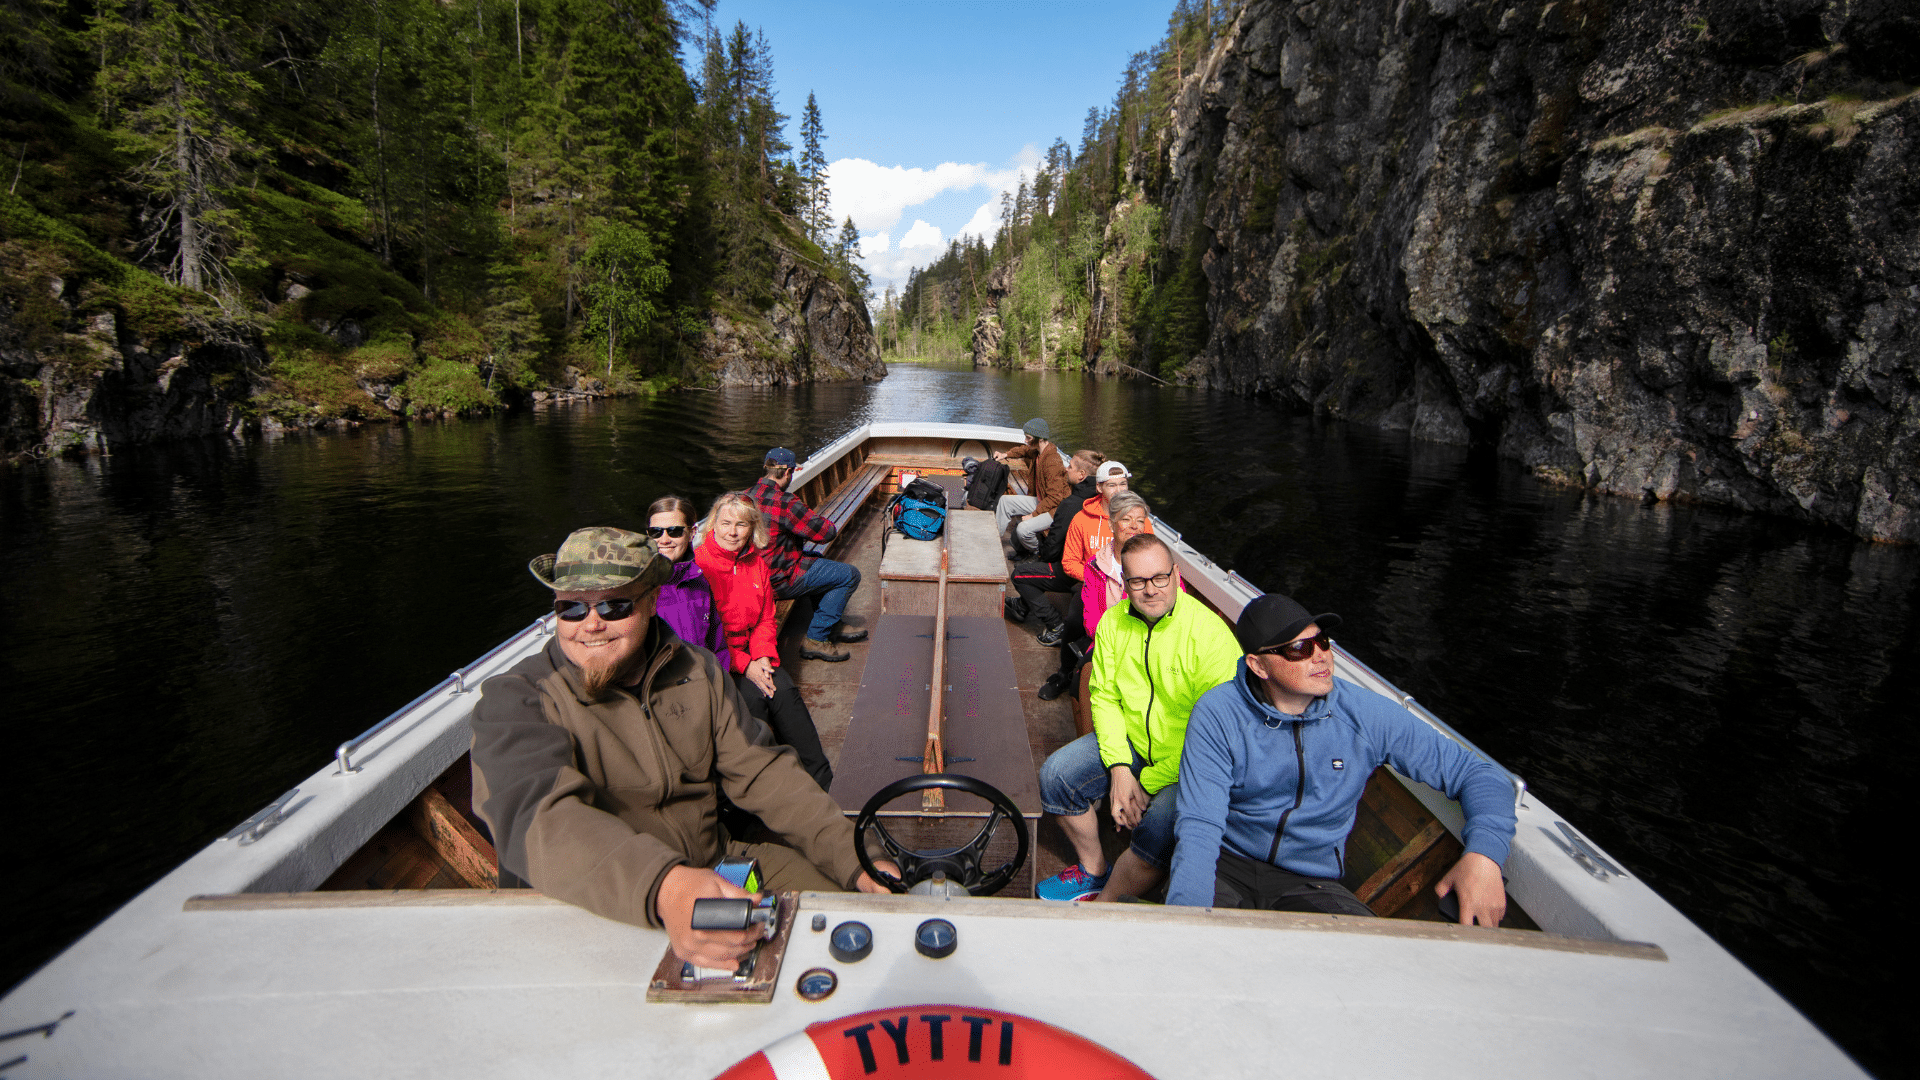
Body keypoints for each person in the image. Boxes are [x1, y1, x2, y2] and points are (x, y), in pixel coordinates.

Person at [470, 526, 895, 971]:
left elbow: (764, 774)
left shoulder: (699, 671)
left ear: (652, 601)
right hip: (598, 895)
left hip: (716, 861)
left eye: (615, 605)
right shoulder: (515, 699)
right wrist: (666, 887)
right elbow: (538, 819)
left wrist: (857, 857)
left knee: (854, 910)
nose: (591, 624)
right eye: (571, 607)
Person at [1167, 593, 1517, 923]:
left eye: (1322, 641)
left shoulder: (1365, 714)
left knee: (1374, 960)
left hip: (1309, 880)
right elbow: (1200, 827)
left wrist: (1484, 855)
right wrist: (1190, 925)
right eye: (1300, 649)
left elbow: (1477, 775)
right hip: (1227, 865)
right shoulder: (1218, 714)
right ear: (1259, 666)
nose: (1321, 656)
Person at [1034, 533, 1241, 902]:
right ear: (1124, 582)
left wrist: (1144, 784)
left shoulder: (1211, 637)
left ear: (1177, 575)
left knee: (1159, 828)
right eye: (1138, 581)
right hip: (1132, 743)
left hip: (1190, 760)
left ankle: (1109, 904)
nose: (1150, 590)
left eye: (1160, 577)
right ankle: (1094, 870)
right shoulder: (1114, 624)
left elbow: (1216, 739)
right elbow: (1105, 697)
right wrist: (1118, 769)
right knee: (1056, 777)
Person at [689, 492, 834, 790]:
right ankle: (758, 793)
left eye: (741, 525)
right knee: (753, 705)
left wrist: (764, 656)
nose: (732, 532)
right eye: (726, 523)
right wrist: (746, 665)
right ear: (713, 525)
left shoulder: (755, 562)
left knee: (786, 695)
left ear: (752, 528)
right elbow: (703, 638)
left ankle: (820, 780)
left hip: (754, 655)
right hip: (720, 662)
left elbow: (766, 618)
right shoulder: (700, 567)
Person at [748, 447, 866, 663]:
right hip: (778, 582)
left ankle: (832, 622)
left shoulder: (745, 497)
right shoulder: (785, 502)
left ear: (766, 468)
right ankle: (817, 638)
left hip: (754, 579)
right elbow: (826, 533)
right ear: (787, 472)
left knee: (816, 561)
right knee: (849, 575)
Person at [1007, 448, 1105, 650]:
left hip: (1072, 570)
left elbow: (1053, 546)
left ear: (1081, 475)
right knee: (1037, 569)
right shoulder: (1098, 500)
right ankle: (1022, 606)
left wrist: (1041, 559)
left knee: (1021, 574)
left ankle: (1056, 625)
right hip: (1094, 567)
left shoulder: (1071, 505)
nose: (1065, 470)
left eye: (1070, 467)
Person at [993, 417, 1071, 555]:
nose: (1025, 441)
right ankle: (994, 540)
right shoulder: (1038, 452)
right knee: (1005, 501)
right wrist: (1005, 454)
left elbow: (1056, 497)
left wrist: (1033, 514)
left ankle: (1038, 553)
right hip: (1042, 502)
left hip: (1054, 510)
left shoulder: (1052, 461)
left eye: (1028, 438)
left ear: (1040, 439)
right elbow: (1023, 450)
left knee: (1023, 529)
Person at [1059, 461, 1133, 586]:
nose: (1119, 490)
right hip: (1093, 582)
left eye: (1123, 484)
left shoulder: (1139, 520)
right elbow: (1070, 562)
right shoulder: (1081, 519)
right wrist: (1098, 578)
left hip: (1127, 585)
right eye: (1112, 485)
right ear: (1099, 488)